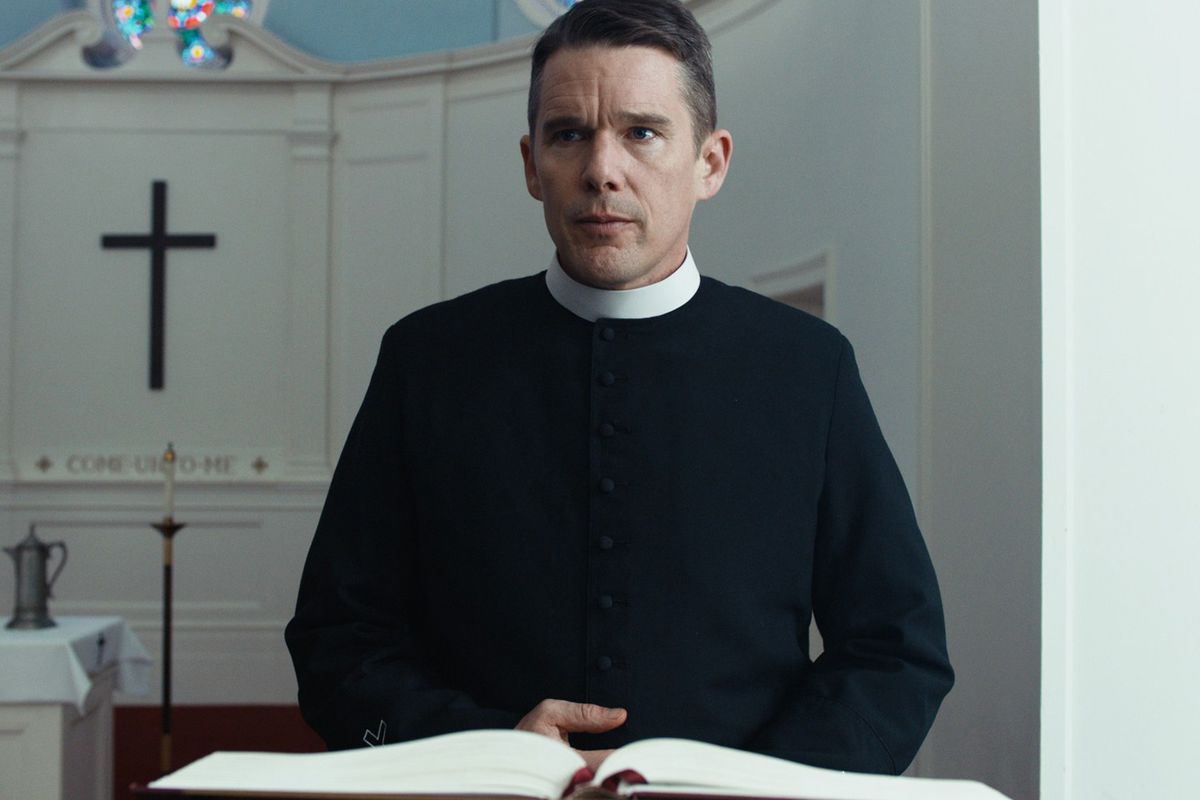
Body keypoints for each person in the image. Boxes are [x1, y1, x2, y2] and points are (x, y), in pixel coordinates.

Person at [285, 0, 952, 777]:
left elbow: (896, 651)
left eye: (642, 131)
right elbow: (338, 640)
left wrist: (753, 791)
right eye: (569, 135)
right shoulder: (426, 361)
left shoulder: (809, 367)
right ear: (533, 165)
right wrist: (484, 749)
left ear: (711, 162)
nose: (603, 168)